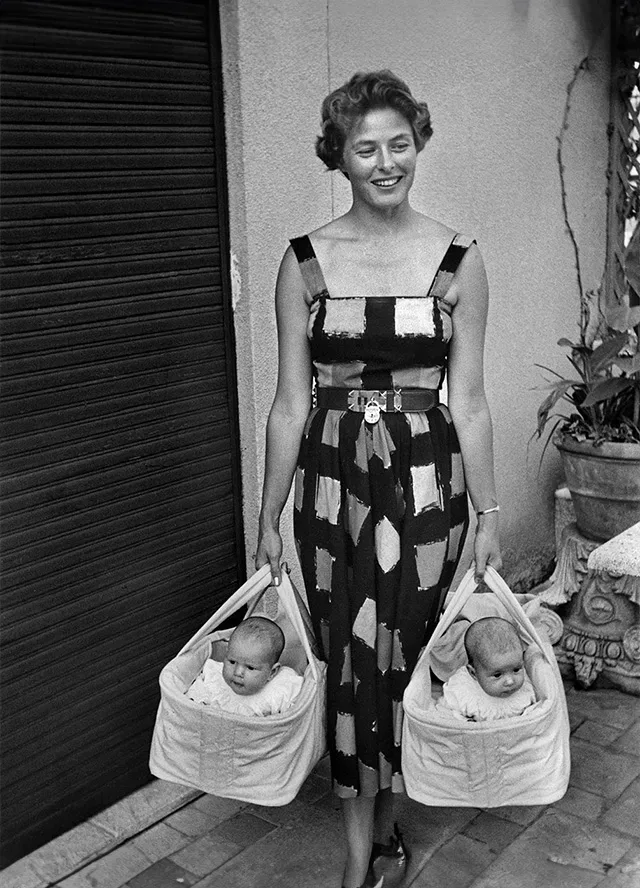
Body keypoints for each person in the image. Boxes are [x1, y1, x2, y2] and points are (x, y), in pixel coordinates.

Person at [255, 70, 501, 888]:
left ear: (417, 145)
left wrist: (490, 516)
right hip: (330, 488)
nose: (386, 161)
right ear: (341, 157)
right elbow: (290, 406)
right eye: (367, 147)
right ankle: (361, 857)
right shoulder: (304, 264)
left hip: (427, 486)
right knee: (349, 662)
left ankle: (388, 830)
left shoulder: (459, 261)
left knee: (402, 659)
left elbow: (469, 402)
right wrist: (267, 521)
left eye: (400, 143)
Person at [187, 617, 303, 716]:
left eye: (250, 668)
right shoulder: (215, 678)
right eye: (232, 662)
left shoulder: (281, 687)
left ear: (272, 673)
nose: (237, 672)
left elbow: (298, 709)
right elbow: (194, 697)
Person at [438, 617, 536, 721]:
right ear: (473, 674)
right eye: (497, 675)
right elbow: (444, 713)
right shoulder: (461, 690)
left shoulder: (526, 689)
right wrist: (463, 722)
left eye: (516, 670)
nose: (510, 681)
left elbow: (536, 712)